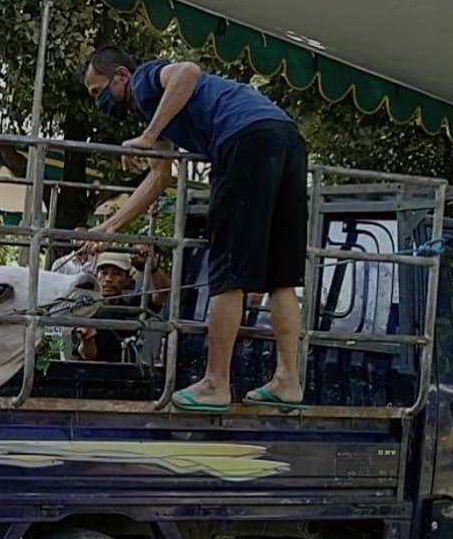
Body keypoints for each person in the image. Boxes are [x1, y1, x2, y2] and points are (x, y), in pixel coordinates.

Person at [82, 46, 307, 412]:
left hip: (243, 139)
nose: (100, 101)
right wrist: (108, 227)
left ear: (121, 76)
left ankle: (216, 383)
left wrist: (147, 135)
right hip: (285, 137)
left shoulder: (145, 81)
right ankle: (288, 380)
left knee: (227, 272)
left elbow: (187, 70)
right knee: (281, 275)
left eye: (98, 90)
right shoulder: (166, 107)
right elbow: (160, 177)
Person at [73, 250, 169, 362]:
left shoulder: (133, 306)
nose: (108, 279)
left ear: (128, 279)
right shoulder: (84, 308)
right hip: (89, 373)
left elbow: (162, 293)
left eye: (117, 274)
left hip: (126, 373)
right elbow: (87, 356)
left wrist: (152, 268)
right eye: (104, 273)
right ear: (96, 276)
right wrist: (88, 339)